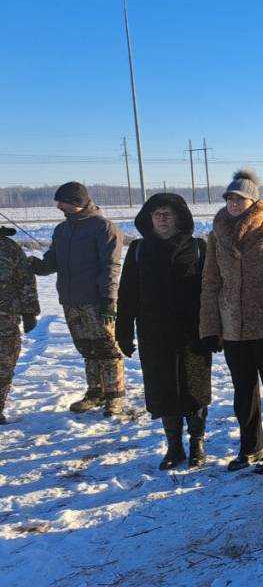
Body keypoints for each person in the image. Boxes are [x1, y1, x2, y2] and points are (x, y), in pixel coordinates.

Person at [199, 169, 263, 473]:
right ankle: (250, 446)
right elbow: (211, 283)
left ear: (253, 202)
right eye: (229, 198)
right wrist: (210, 327)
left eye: (239, 199)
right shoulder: (216, 237)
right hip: (233, 328)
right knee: (243, 390)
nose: (233, 203)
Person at [116, 194, 212, 469]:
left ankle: (197, 442)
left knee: (194, 389)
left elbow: (211, 292)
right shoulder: (138, 250)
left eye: (167, 213)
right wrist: (123, 331)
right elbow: (127, 294)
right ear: (148, 218)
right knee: (163, 389)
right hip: (154, 334)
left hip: (192, 333)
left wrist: (213, 331)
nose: (162, 218)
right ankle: (174, 446)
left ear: (180, 217)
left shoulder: (198, 248)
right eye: (156, 213)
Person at [30, 182, 126, 416]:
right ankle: (95, 393)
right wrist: (38, 266)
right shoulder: (62, 230)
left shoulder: (104, 228)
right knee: (87, 349)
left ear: (76, 202)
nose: (58, 207)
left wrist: (109, 298)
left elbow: (111, 266)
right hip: (70, 300)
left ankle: (115, 396)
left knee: (107, 349)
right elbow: (52, 260)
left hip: (97, 300)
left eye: (61, 202)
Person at [0, 225, 40, 425]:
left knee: (4, 364)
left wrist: (29, 312)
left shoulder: (9, 247)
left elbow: (25, 280)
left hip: (5, 320)